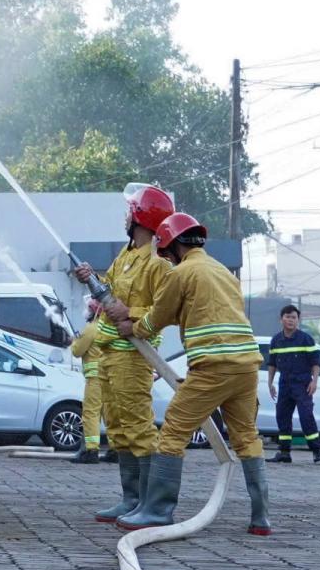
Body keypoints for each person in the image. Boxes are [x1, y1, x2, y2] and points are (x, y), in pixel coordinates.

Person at [102, 211, 272, 537]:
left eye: (165, 251)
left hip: (213, 367)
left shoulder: (182, 274)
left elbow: (159, 317)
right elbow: (183, 312)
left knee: (173, 432)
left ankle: (157, 511)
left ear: (172, 246)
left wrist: (132, 325)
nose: (165, 257)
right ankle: (261, 517)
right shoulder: (222, 272)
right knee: (246, 437)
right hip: (247, 365)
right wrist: (137, 317)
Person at [72, 183, 176, 525]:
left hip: (134, 357)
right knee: (116, 428)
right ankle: (130, 500)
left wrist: (130, 312)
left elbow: (164, 309)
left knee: (138, 428)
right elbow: (110, 291)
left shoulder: (158, 264)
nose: (125, 216)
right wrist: (92, 279)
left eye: (129, 210)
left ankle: (149, 505)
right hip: (109, 355)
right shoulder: (126, 255)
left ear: (140, 216)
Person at [267, 304, 320, 464]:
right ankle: (284, 452)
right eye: (288, 317)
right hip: (284, 383)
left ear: (298, 320)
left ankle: (316, 450)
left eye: (294, 317)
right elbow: (272, 364)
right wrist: (270, 383)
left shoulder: (306, 339)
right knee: (282, 416)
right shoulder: (276, 340)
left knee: (306, 416)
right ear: (281, 319)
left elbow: (316, 362)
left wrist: (314, 381)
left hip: (302, 383)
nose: (291, 320)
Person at [67, 309, 111, 463]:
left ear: (95, 311)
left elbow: (77, 351)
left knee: (91, 413)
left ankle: (91, 450)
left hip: (95, 379)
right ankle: (117, 449)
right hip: (110, 377)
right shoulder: (110, 327)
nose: (86, 311)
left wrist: (74, 340)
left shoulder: (92, 328)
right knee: (109, 413)